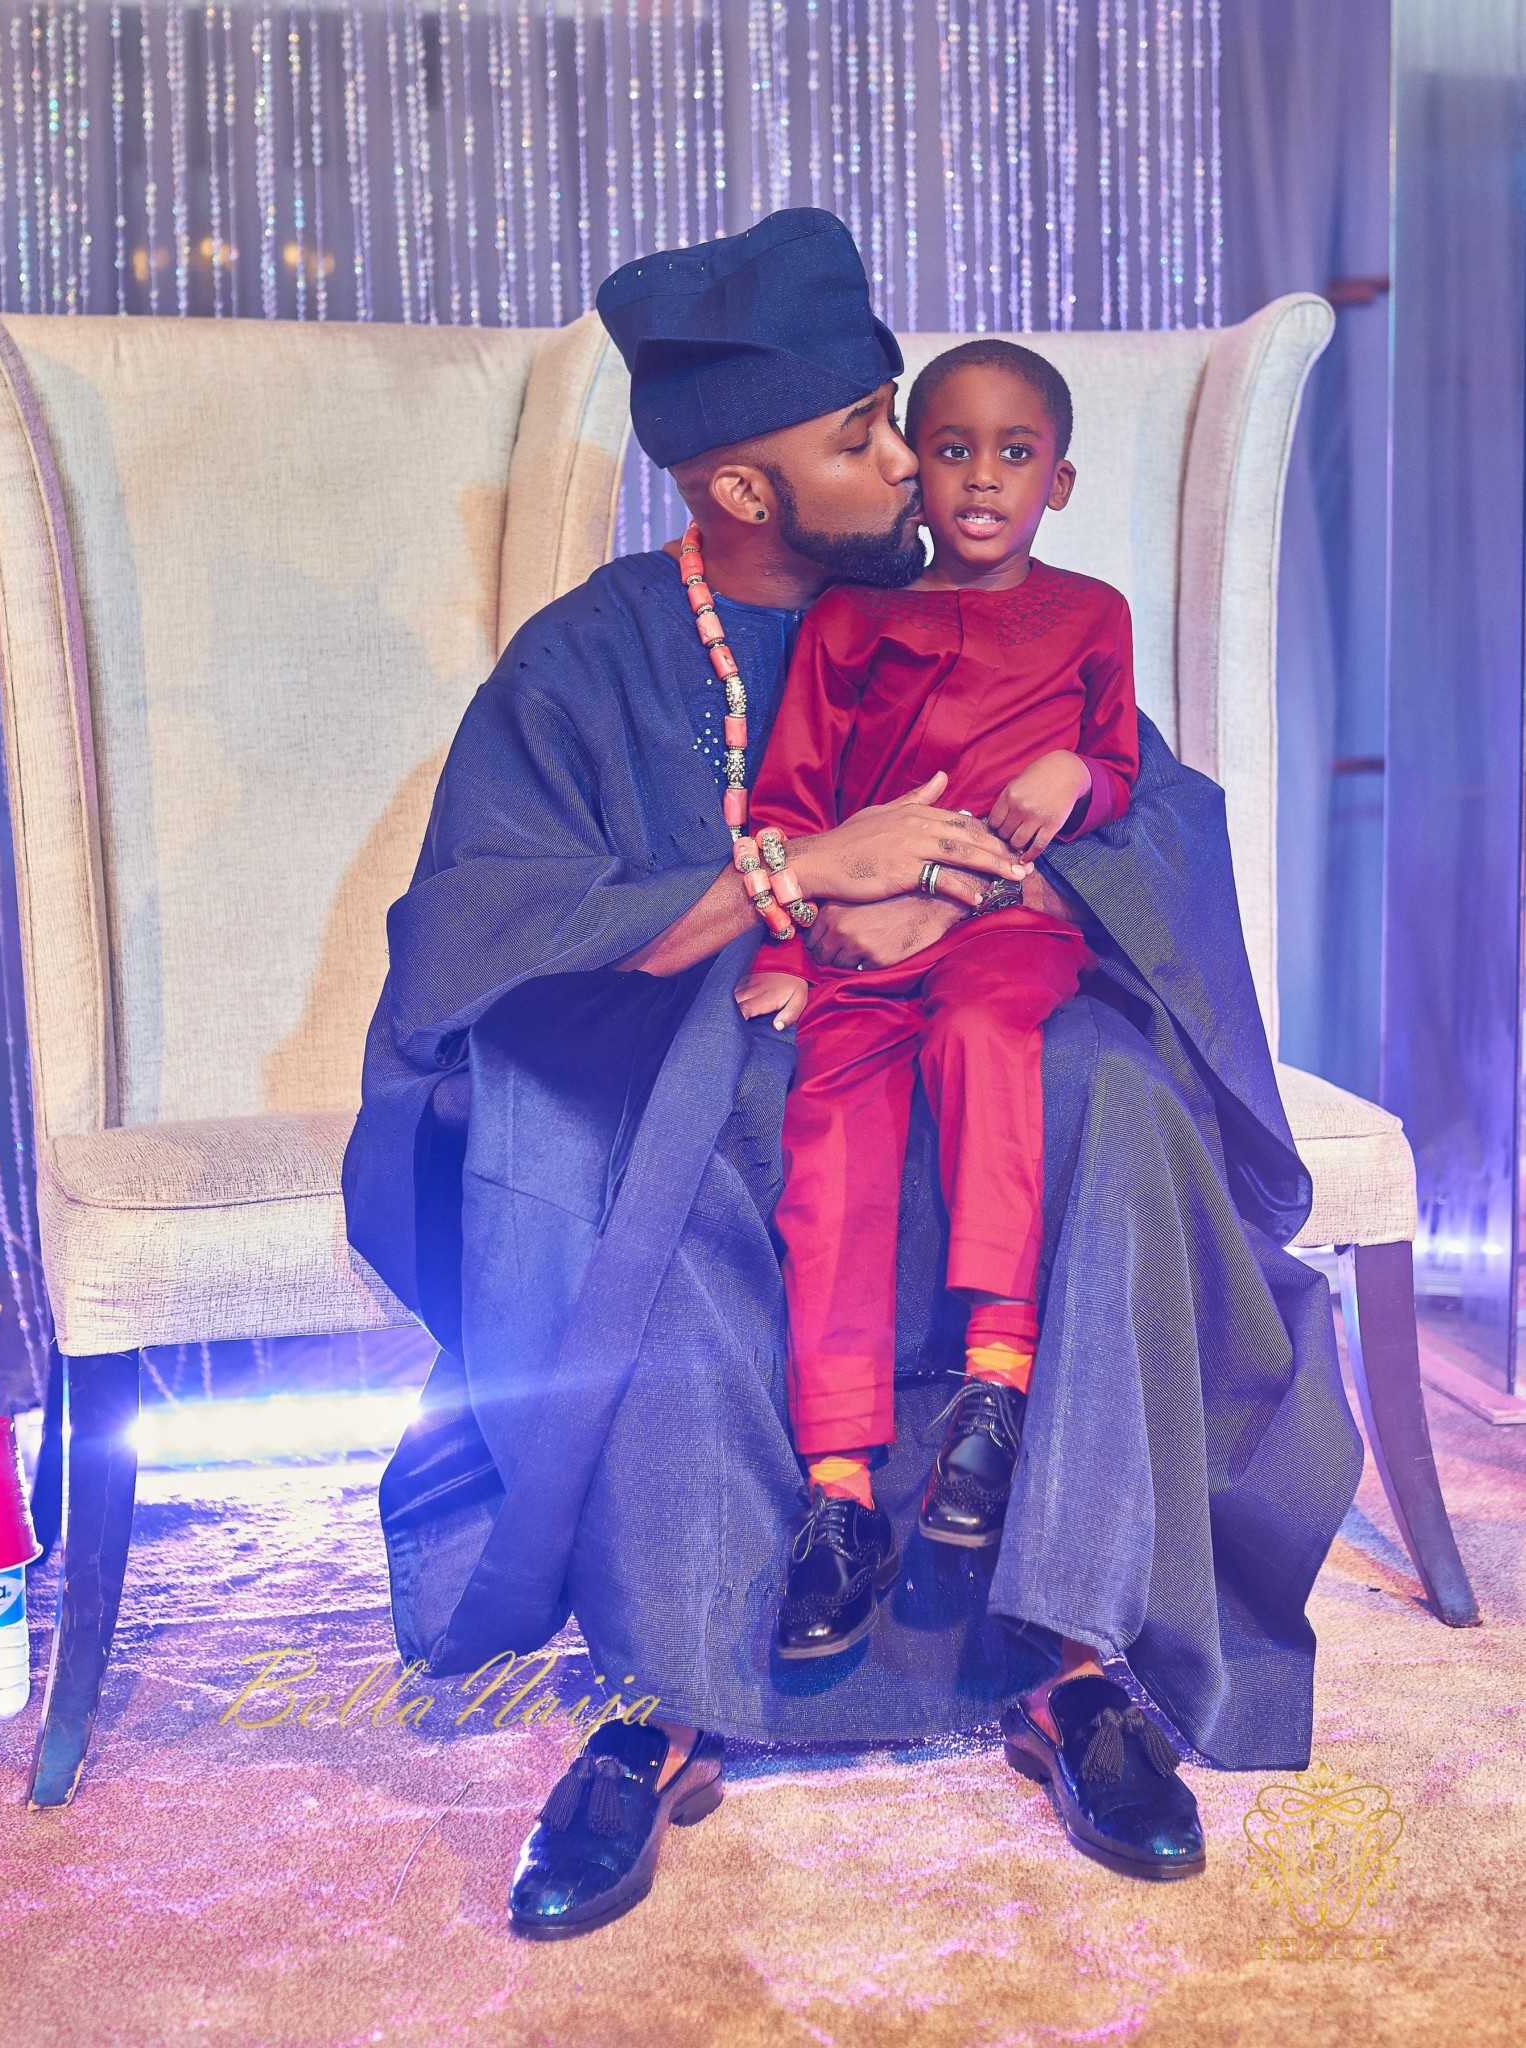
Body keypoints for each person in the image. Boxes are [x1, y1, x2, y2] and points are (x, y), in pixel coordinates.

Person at [343, 209, 1363, 1938]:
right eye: (862, 438)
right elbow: (482, 928)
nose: (912, 464)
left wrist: (985, 881)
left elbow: (1149, 827)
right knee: (645, 1149)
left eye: (904, 423)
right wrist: (798, 880)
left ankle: (1064, 1649)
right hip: (700, 1054)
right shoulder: (588, 660)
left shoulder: (986, 609)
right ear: (745, 489)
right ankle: (667, 1689)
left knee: (1113, 1096)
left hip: (973, 1014)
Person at [734, 338, 1139, 1674]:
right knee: (827, 1129)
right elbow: (789, 801)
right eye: (952, 449)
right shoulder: (849, 623)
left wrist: (1077, 775)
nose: (981, 478)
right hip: (861, 942)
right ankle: (839, 1491)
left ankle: (994, 1390)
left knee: (985, 1036)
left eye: (1014, 454)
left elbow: (1124, 771)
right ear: (914, 470)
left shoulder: (1090, 614)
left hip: (1005, 929)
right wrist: (790, 948)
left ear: (1058, 482)